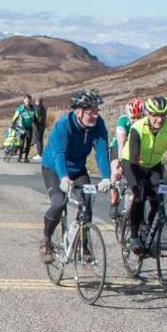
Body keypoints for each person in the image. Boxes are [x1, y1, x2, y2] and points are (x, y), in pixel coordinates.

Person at [39, 88, 112, 263]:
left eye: (96, 111)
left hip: (78, 168)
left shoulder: (98, 125)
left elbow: (101, 153)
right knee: (59, 202)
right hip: (54, 168)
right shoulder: (63, 126)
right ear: (78, 112)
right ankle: (46, 241)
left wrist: (106, 177)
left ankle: (84, 246)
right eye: (90, 112)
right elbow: (59, 154)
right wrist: (63, 177)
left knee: (86, 202)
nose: (95, 115)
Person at [115, 95, 167, 253]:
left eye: (163, 115)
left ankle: (148, 232)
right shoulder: (137, 128)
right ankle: (134, 237)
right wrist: (140, 181)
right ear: (148, 114)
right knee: (139, 194)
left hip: (153, 164)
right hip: (132, 163)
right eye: (155, 115)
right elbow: (133, 157)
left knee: (158, 198)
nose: (159, 120)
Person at [10, 94, 38, 162]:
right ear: (24, 101)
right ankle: (19, 157)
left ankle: (26, 158)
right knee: (22, 142)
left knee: (28, 142)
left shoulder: (33, 108)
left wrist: (37, 122)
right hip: (22, 127)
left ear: (31, 101)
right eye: (26, 100)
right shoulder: (21, 108)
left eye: (29, 100)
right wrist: (13, 123)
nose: (27, 102)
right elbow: (16, 115)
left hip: (29, 127)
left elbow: (35, 117)